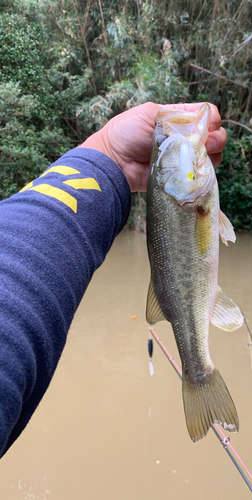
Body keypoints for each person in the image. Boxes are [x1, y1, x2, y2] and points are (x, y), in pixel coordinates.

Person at [0, 101, 227, 457]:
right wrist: (107, 151)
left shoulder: (193, 201)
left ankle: (197, 372)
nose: (183, 149)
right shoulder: (196, 203)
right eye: (173, 153)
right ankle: (198, 373)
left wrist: (108, 151)